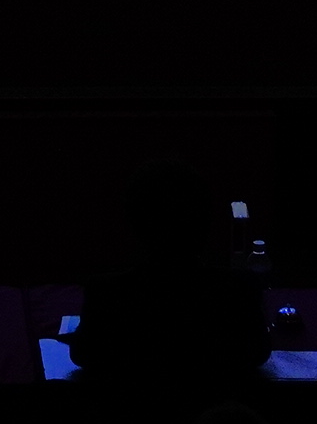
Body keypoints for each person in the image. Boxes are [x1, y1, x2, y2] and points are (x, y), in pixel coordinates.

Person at [67, 164, 268, 404]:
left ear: (134, 224)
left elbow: (83, 354)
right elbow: (258, 352)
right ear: (206, 223)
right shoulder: (239, 290)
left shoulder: (106, 293)